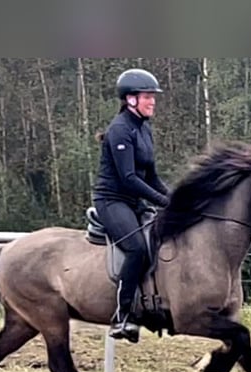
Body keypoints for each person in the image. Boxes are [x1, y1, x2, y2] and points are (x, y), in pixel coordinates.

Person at [93, 68, 171, 343]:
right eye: (147, 96)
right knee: (137, 248)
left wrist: (174, 200)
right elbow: (128, 179)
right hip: (112, 200)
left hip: (133, 202)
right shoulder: (120, 130)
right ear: (130, 99)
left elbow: (151, 176)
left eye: (153, 97)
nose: (153, 101)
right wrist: (161, 201)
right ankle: (123, 315)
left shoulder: (143, 128)